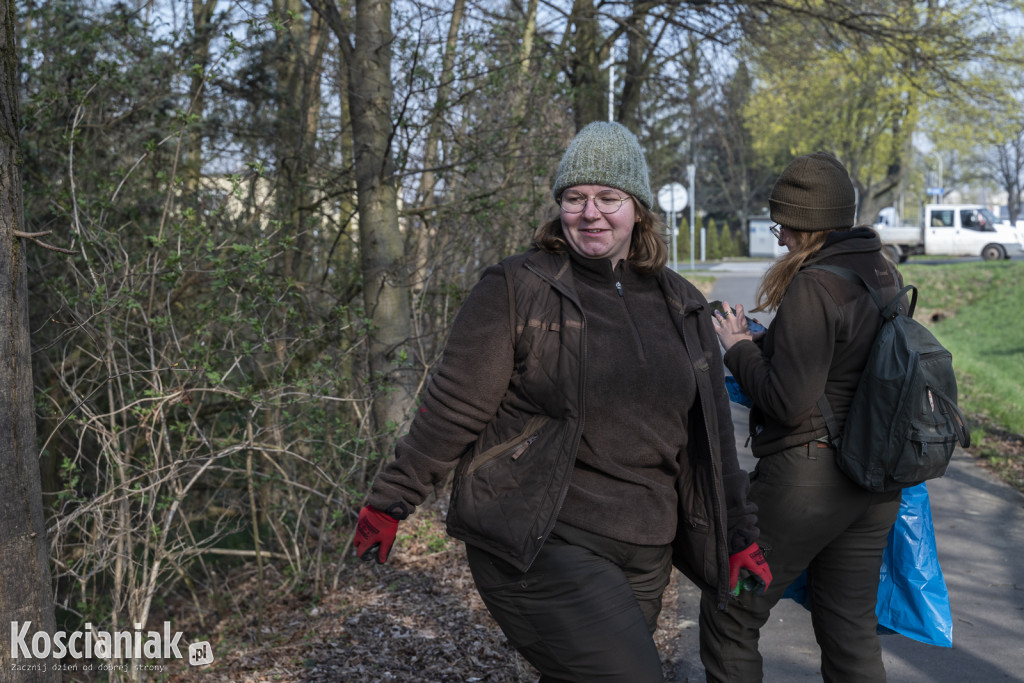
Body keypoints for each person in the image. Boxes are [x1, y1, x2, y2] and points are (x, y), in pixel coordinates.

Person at [352, 121, 768, 682]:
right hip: (543, 536)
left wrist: (738, 533)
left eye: (608, 198)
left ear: (638, 209)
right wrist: (391, 498)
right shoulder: (518, 286)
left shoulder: (681, 302)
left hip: (647, 549)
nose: (590, 213)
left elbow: (712, 435)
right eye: (575, 198)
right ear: (559, 207)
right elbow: (455, 404)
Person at [700, 152, 904, 682]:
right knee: (849, 629)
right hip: (874, 483)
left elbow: (788, 401)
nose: (781, 238)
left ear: (808, 224)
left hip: (807, 484)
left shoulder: (815, 284)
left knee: (732, 610)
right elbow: (844, 362)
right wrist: (772, 345)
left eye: (784, 225)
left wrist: (739, 347)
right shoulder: (881, 269)